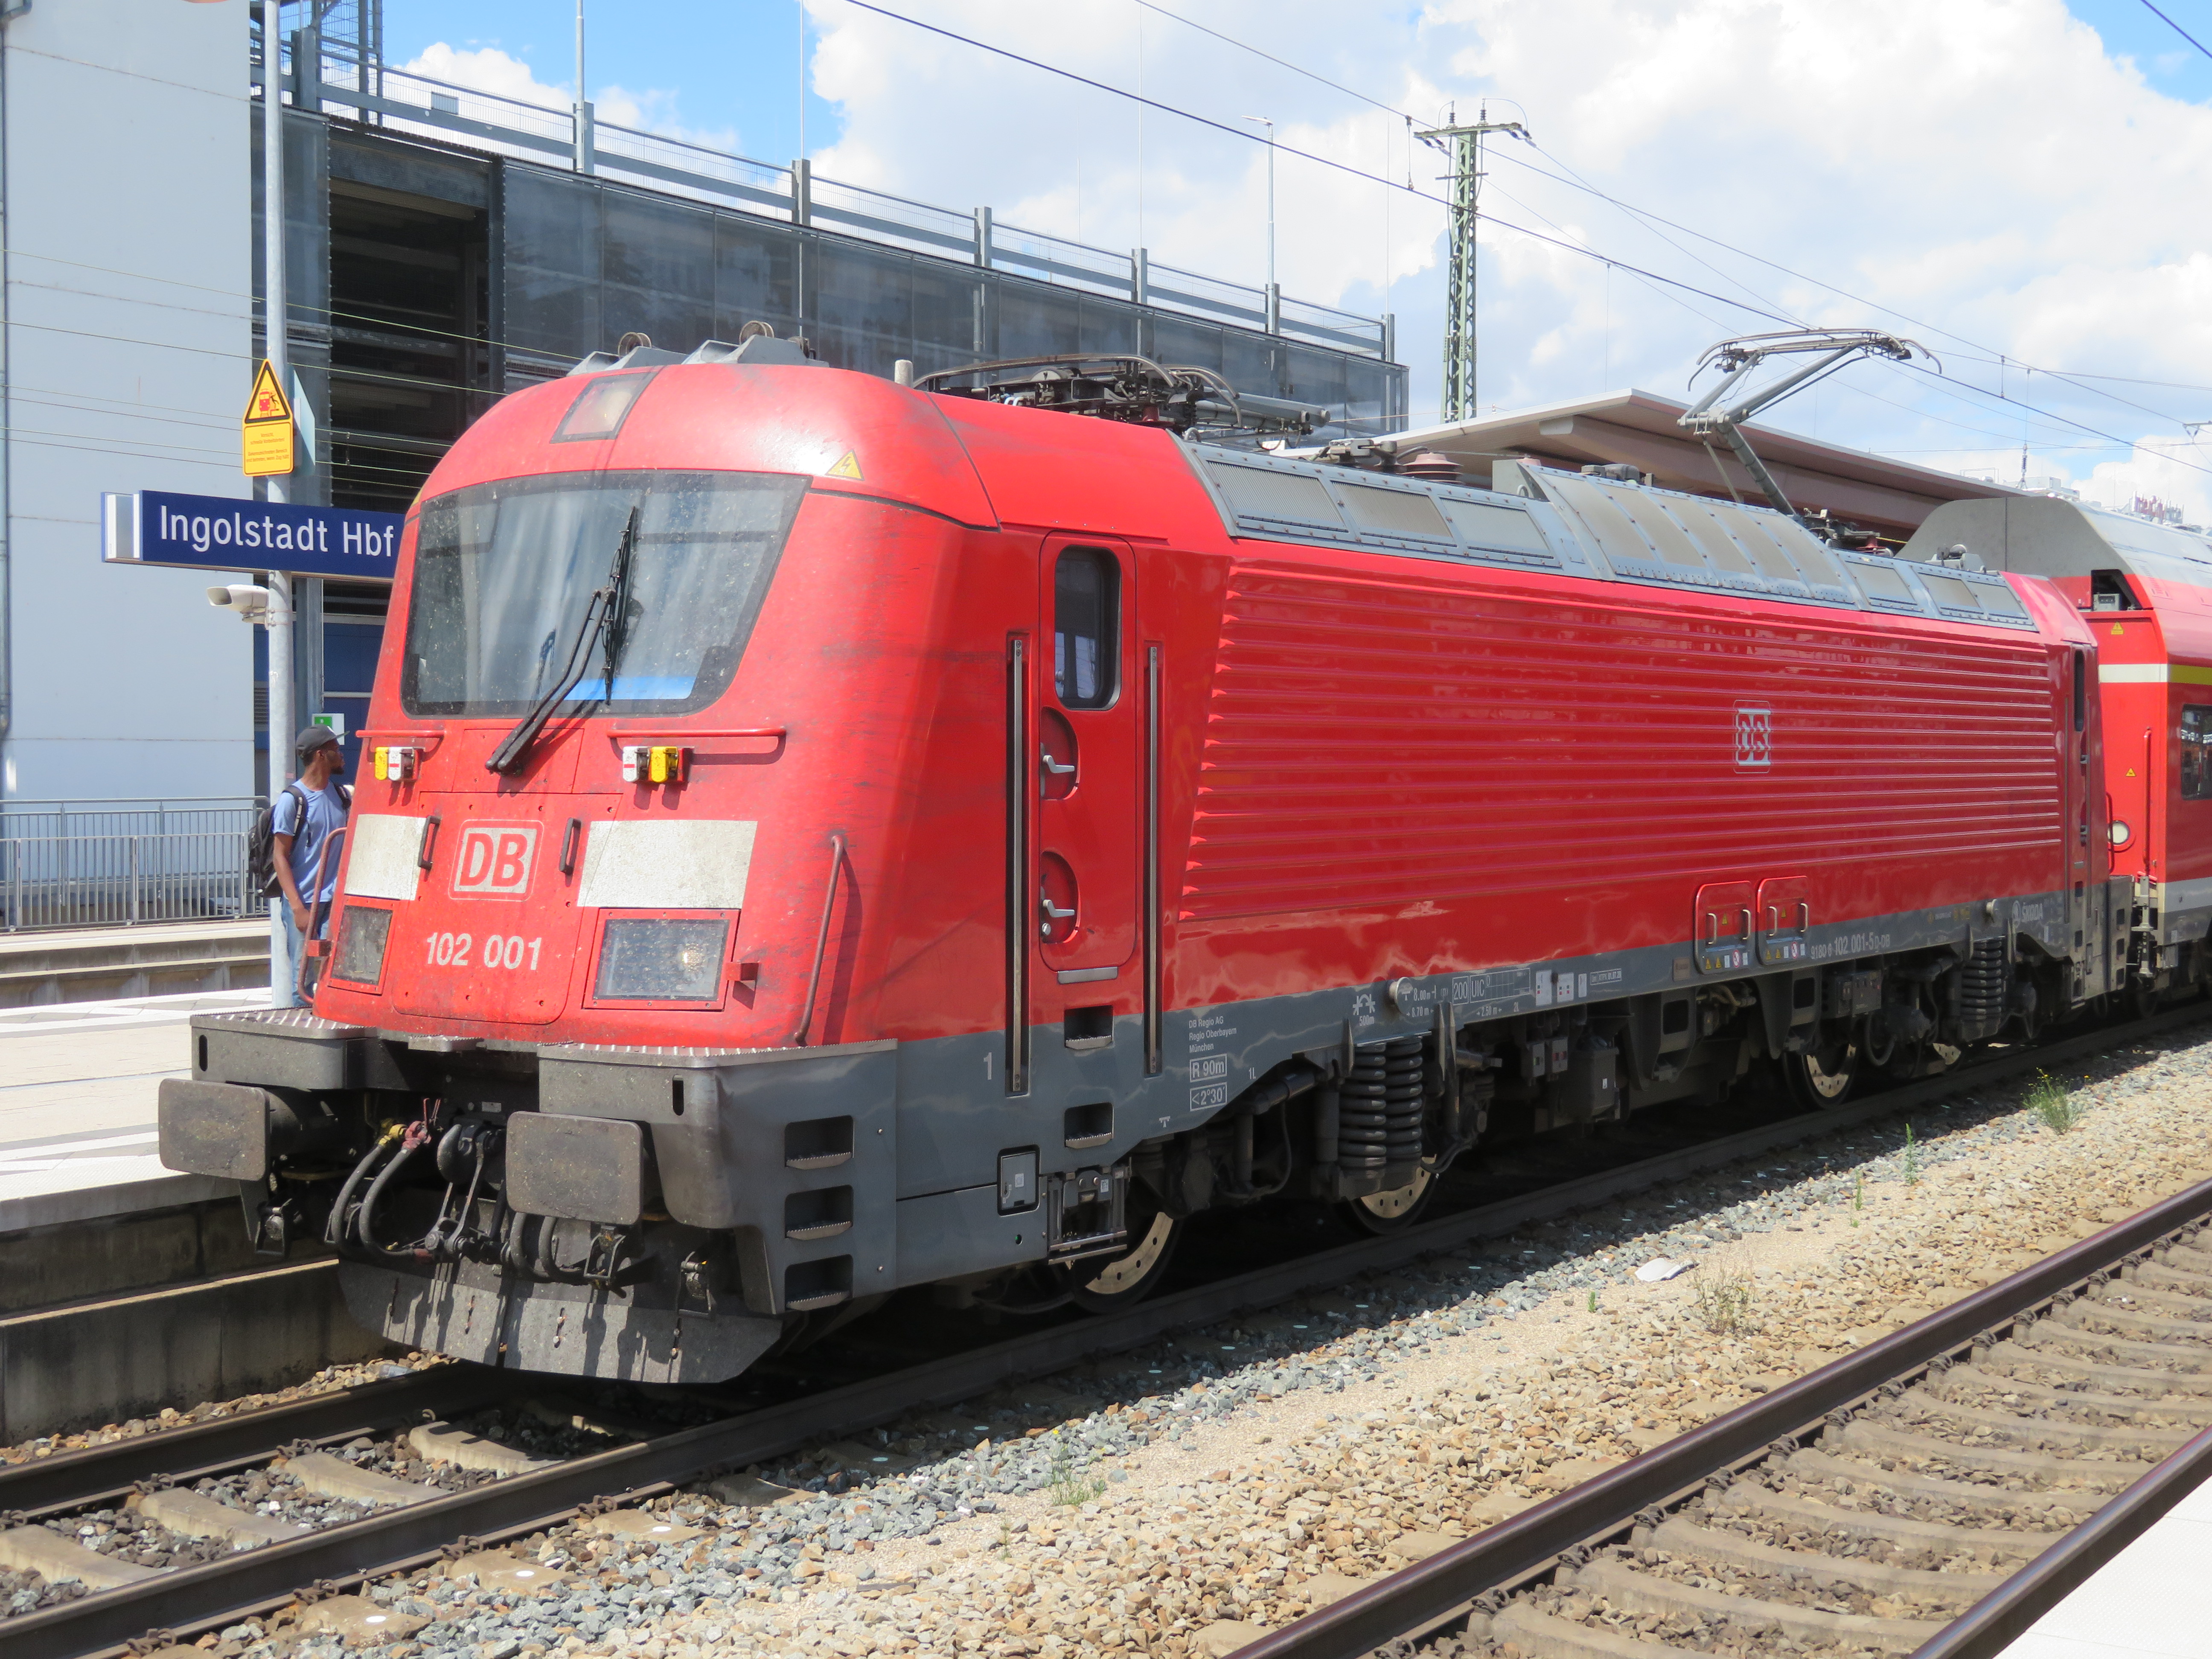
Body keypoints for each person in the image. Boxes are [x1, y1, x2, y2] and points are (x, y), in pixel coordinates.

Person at [272, 726, 352, 1007]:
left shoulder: (342, 795)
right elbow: (279, 856)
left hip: (335, 900)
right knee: (302, 979)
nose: (341, 754)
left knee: (337, 968)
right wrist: (297, 908)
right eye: (335, 749)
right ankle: (303, 1023)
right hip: (304, 901)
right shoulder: (292, 800)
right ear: (321, 755)